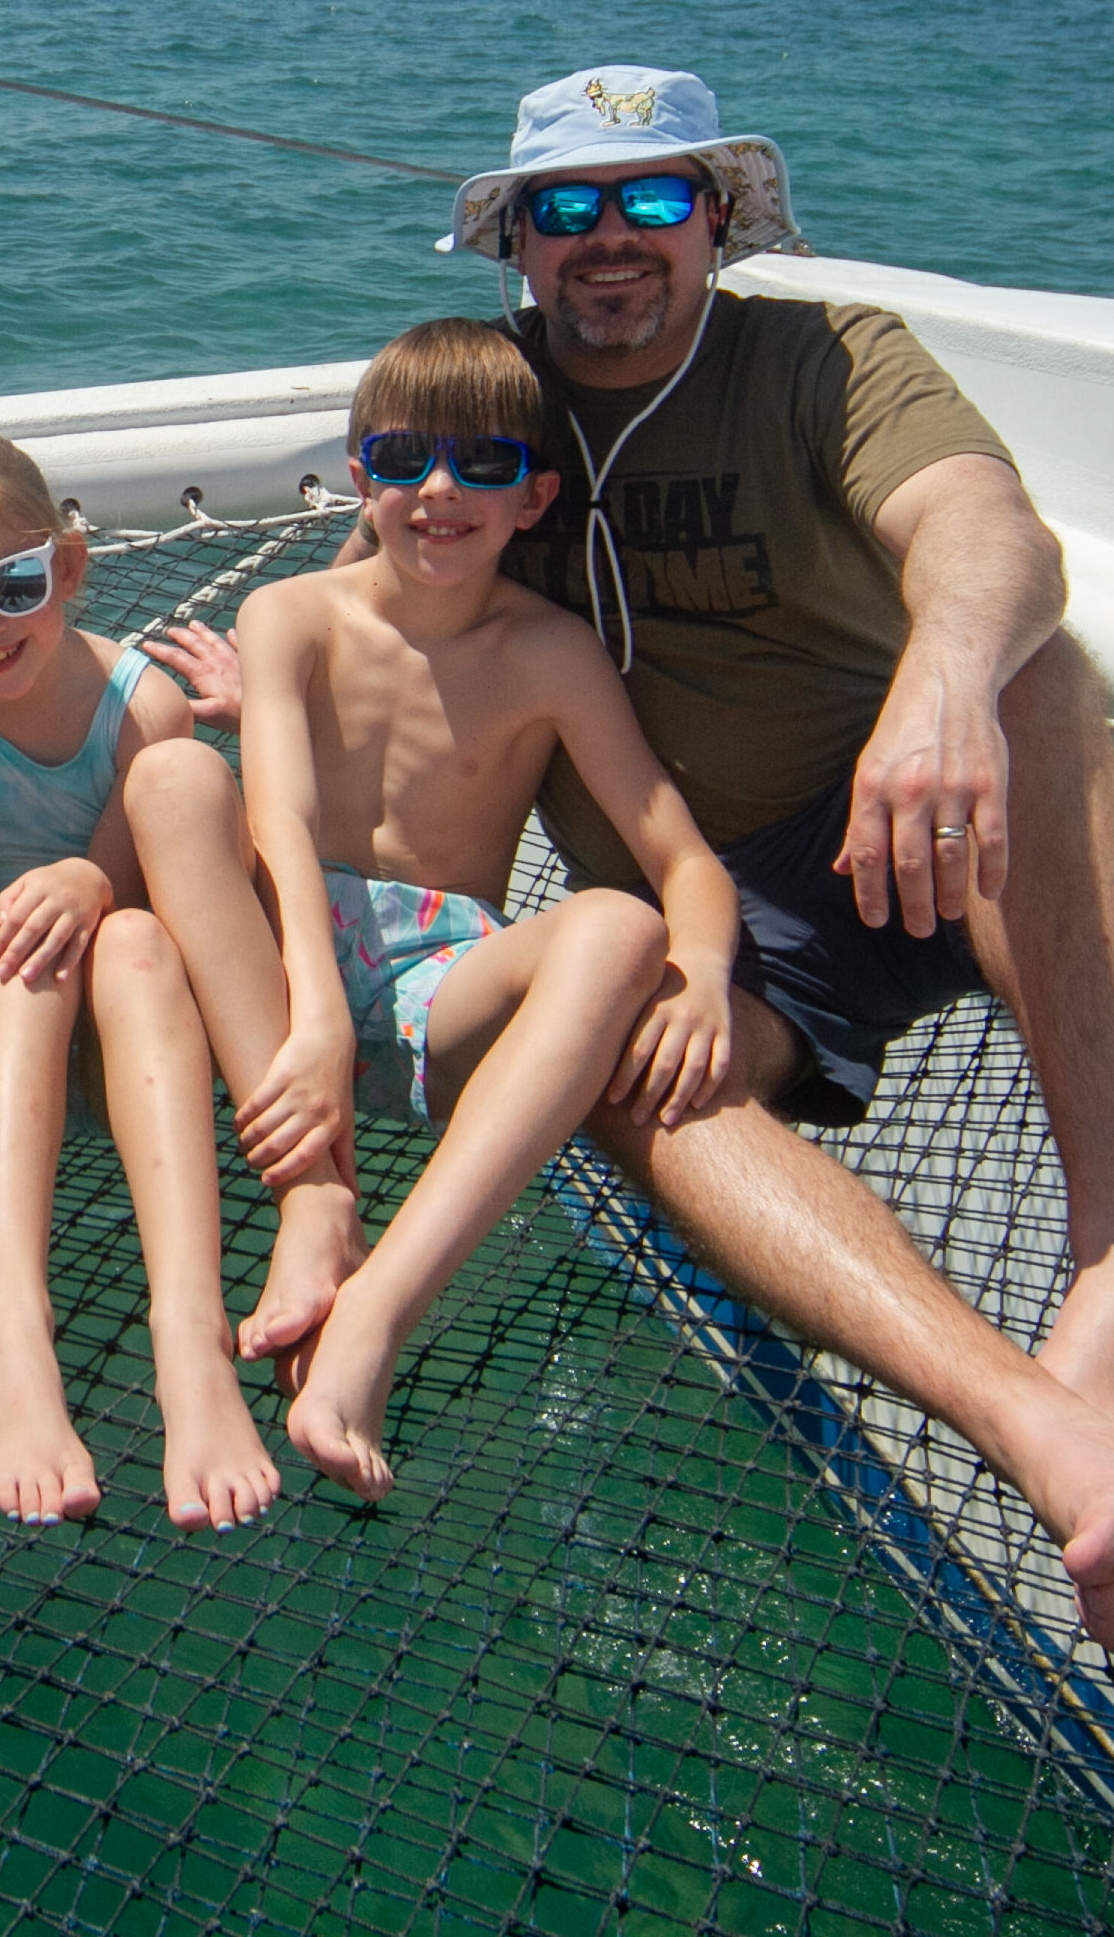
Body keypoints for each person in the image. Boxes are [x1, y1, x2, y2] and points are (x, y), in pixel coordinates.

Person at [153, 67, 1114, 1653]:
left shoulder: (824, 358)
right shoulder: (495, 404)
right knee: (632, 1054)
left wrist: (937, 684)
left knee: (1037, 667)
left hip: (915, 815)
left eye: (653, 199)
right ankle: (1032, 1426)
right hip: (714, 910)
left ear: (719, 219)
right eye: (565, 210)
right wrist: (275, 679)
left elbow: (997, 532)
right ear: (518, 243)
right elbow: (392, 562)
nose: (611, 241)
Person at [120, 321, 735, 1505]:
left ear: (534, 496)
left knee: (620, 925)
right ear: (363, 479)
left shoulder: (554, 655)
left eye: (483, 465)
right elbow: (282, 821)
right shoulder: (291, 613)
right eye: (402, 459)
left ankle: (378, 1316)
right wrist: (312, 1020)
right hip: (276, 967)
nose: (439, 490)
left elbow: (682, 861)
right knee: (176, 778)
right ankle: (320, 1201)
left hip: (441, 980)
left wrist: (702, 971)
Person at [0, 431, 282, 1532]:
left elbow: (138, 877)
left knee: (125, 941)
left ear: (72, 568)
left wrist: (88, 881)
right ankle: (10, 1331)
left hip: (125, 998)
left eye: (11, 585)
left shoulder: (141, 706)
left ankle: (192, 1338)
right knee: (18, 959)